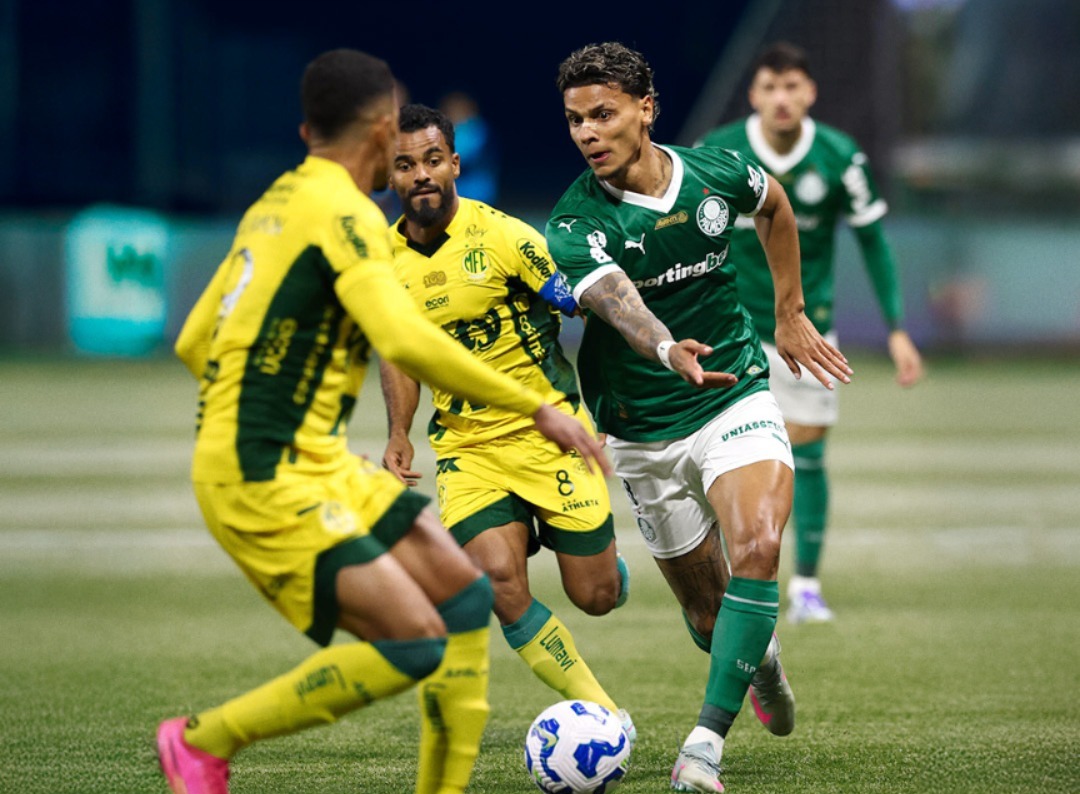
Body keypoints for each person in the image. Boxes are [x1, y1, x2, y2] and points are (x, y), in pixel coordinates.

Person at [156, 48, 609, 794]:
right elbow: (402, 340)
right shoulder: (348, 216)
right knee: (412, 643)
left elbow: (193, 341)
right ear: (379, 129)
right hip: (266, 470)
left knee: (466, 598)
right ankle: (203, 742)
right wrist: (533, 406)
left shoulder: (278, 202)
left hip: (301, 456)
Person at [546, 42, 852, 793]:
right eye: (575, 120)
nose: (587, 132)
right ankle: (761, 660)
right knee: (711, 617)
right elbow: (622, 304)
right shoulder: (575, 223)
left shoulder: (714, 174)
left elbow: (773, 203)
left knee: (756, 543)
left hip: (732, 394)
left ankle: (702, 747)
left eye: (604, 114)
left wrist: (789, 313)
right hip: (640, 427)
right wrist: (663, 348)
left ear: (646, 110)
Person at [378, 103, 634, 749]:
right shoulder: (378, 264)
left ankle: (606, 565)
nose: (421, 175)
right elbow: (398, 352)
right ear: (390, 175)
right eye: (406, 165)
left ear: (455, 164)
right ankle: (603, 714)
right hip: (467, 448)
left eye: (433, 160)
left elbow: (580, 303)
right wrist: (399, 431)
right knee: (497, 583)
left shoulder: (506, 239)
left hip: (551, 433)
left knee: (597, 597)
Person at [694, 41, 924, 624]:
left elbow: (873, 241)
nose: (781, 98)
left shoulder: (839, 157)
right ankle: (726, 580)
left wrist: (896, 328)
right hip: (731, 331)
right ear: (753, 94)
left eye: (792, 86)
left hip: (808, 332)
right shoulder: (716, 153)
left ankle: (807, 587)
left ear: (810, 93)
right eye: (769, 87)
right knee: (720, 459)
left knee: (810, 453)